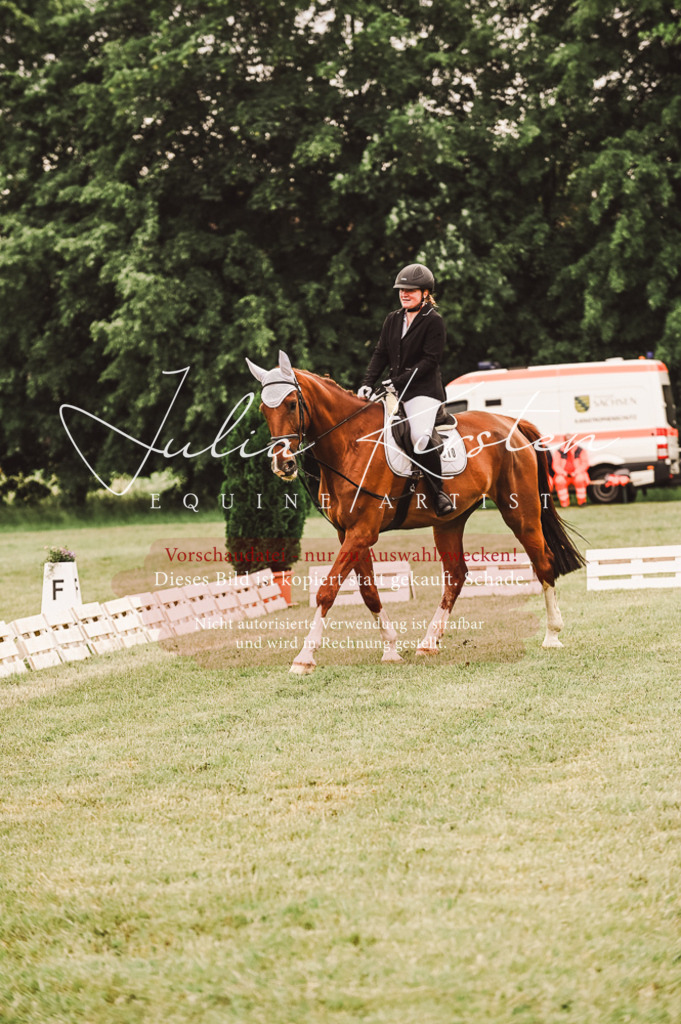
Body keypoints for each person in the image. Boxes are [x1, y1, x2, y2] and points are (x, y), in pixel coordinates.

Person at [358, 263, 454, 516]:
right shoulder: (393, 319)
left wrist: (398, 382)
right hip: (396, 391)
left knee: (419, 437)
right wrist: (367, 383)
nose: (404, 294)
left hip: (423, 392)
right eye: (401, 290)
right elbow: (380, 354)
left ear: (425, 293)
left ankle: (438, 491)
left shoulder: (433, 321)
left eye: (410, 290)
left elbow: (430, 360)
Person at [552, 438, 590, 507]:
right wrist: (563, 473)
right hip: (564, 474)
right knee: (559, 480)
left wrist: (576, 472)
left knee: (580, 479)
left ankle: (582, 502)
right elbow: (555, 465)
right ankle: (564, 502)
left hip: (577, 473)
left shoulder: (580, 450)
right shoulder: (559, 451)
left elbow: (585, 463)